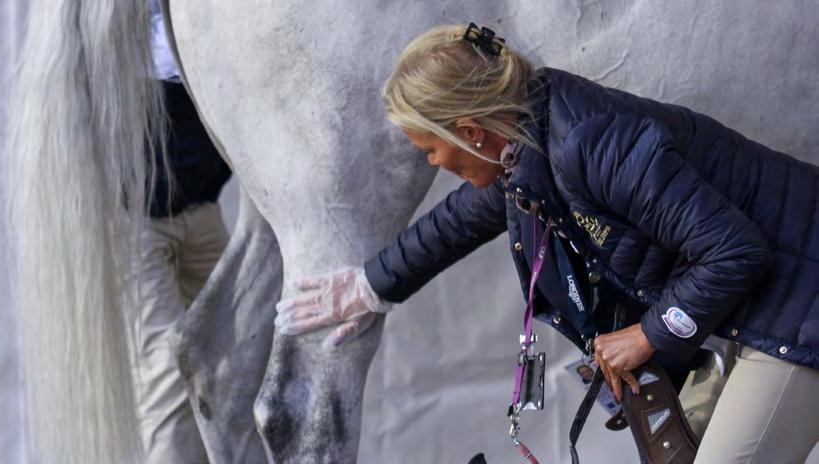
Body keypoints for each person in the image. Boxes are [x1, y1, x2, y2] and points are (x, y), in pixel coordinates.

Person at [273, 24, 819, 463]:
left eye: (428, 150)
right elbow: (457, 221)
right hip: (757, 307)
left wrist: (648, 335)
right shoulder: (528, 145)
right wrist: (370, 287)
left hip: (799, 305)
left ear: (469, 131)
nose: (432, 164)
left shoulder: (591, 143)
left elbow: (735, 251)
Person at [125, 2, 232, 462]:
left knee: (232, 363)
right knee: (166, 383)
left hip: (202, 213)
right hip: (137, 229)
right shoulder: (122, 44)